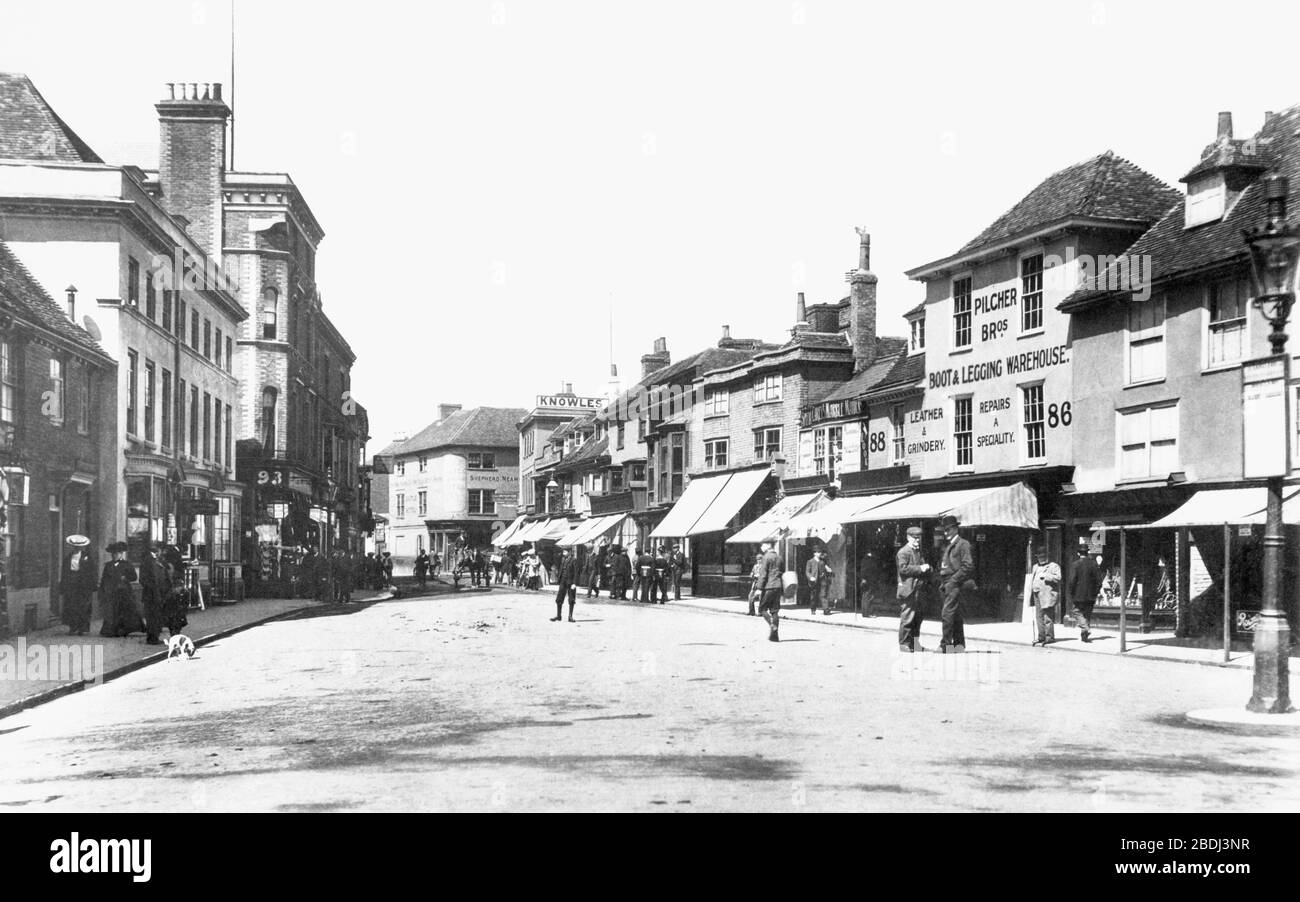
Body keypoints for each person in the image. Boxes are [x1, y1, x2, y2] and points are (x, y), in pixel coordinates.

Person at [937, 515, 974, 653]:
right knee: (955, 614)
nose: (945, 533)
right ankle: (959, 645)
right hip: (946, 581)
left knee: (947, 614)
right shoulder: (947, 544)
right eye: (944, 530)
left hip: (954, 582)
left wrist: (953, 581)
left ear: (955, 529)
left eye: (948, 530)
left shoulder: (963, 544)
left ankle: (945, 645)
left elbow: (968, 566)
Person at [895, 526, 930, 652]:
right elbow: (903, 569)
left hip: (918, 590)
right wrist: (920, 568)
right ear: (908, 537)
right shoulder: (903, 552)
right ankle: (904, 643)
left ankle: (915, 643)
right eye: (915, 538)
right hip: (908, 590)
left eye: (919, 538)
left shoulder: (918, 551)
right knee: (907, 617)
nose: (917, 541)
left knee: (918, 618)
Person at [98, 542, 144, 638]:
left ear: (121, 554)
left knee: (125, 611)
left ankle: (124, 629)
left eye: (116, 554)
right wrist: (102, 590)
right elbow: (104, 578)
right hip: (112, 592)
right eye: (113, 554)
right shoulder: (108, 565)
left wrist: (125, 578)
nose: (114, 555)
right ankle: (111, 630)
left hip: (124, 592)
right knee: (111, 612)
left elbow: (134, 577)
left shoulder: (127, 564)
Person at [60, 536, 96, 635]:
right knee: (71, 605)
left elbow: (92, 571)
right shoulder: (68, 558)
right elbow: (64, 572)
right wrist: (63, 585)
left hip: (83, 585)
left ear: (82, 547)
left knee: (83, 606)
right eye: (75, 547)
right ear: (73, 547)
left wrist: (92, 585)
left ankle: (82, 628)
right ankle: (73, 627)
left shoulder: (87, 557)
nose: (77, 549)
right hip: (71, 584)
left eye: (79, 547)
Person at [1068, 545, 1103, 643]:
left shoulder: (1075, 564)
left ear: (1078, 553)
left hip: (1078, 595)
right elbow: (1099, 581)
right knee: (1087, 614)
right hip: (1091, 595)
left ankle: (1085, 628)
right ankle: (1084, 637)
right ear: (1087, 552)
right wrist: (1095, 592)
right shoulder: (1094, 564)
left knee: (1076, 611)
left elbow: (1072, 581)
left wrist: (1071, 592)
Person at [139, 543, 172, 646]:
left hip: (158, 594)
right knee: (153, 617)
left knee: (156, 616)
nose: (161, 553)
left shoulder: (158, 560)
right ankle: (152, 638)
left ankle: (154, 637)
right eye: (161, 550)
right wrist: (154, 589)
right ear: (158, 550)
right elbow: (143, 579)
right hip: (152, 595)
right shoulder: (148, 561)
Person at [1030, 545, 1061, 646]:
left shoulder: (1053, 566)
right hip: (1036, 593)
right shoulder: (1035, 566)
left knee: (1047, 616)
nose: (1041, 558)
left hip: (1047, 594)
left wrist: (1047, 576)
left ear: (1047, 556)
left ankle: (1049, 637)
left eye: (1043, 556)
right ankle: (1041, 636)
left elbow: (1058, 578)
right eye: (1039, 556)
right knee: (1038, 616)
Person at [758, 541, 785, 642]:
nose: (761, 547)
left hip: (769, 586)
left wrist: (759, 588)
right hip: (778, 586)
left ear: (768, 545)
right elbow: (782, 571)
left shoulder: (766, 557)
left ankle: (771, 624)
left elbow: (763, 574)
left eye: (763, 544)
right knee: (775, 611)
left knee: (762, 609)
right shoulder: (779, 557)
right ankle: (775, 636)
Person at [551, 547, 579, 622]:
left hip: (570, 582)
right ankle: (558, 616)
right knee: (559, 598)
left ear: (569, 552)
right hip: (563, 581)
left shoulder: (574, 560)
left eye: (565, 551)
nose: (563, 553)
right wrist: (559, 579)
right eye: (563, 552)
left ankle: (570, 617)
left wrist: (574, 583)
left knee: (571, 599)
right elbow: (561, 569)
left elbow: (576, 573)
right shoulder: (563, 559)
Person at [805, 549, 833, 615]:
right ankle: (813, 609)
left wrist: (829, 570)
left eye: (820, 552)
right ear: (814, 553)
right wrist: (810, 577)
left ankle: (826, 610)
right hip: (814, 581)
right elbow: (807, 572)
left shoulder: (822, 561)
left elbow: (826, 568)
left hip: (823, 580)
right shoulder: (810, 561)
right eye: (818, 552)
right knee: (814, 596)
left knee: (823, 594)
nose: (820, 553)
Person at [748, 550, 765, 616]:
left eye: (760, 559)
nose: (759, 561)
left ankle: (760, 612)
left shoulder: (764, 567)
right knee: (750, 596)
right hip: (755, 583)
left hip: (761, 584)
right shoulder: (755, 566)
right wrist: (752, 574)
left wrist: (759, 576)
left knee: (761, 598)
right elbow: (752, 573)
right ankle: (751, 611)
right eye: (758, 559)